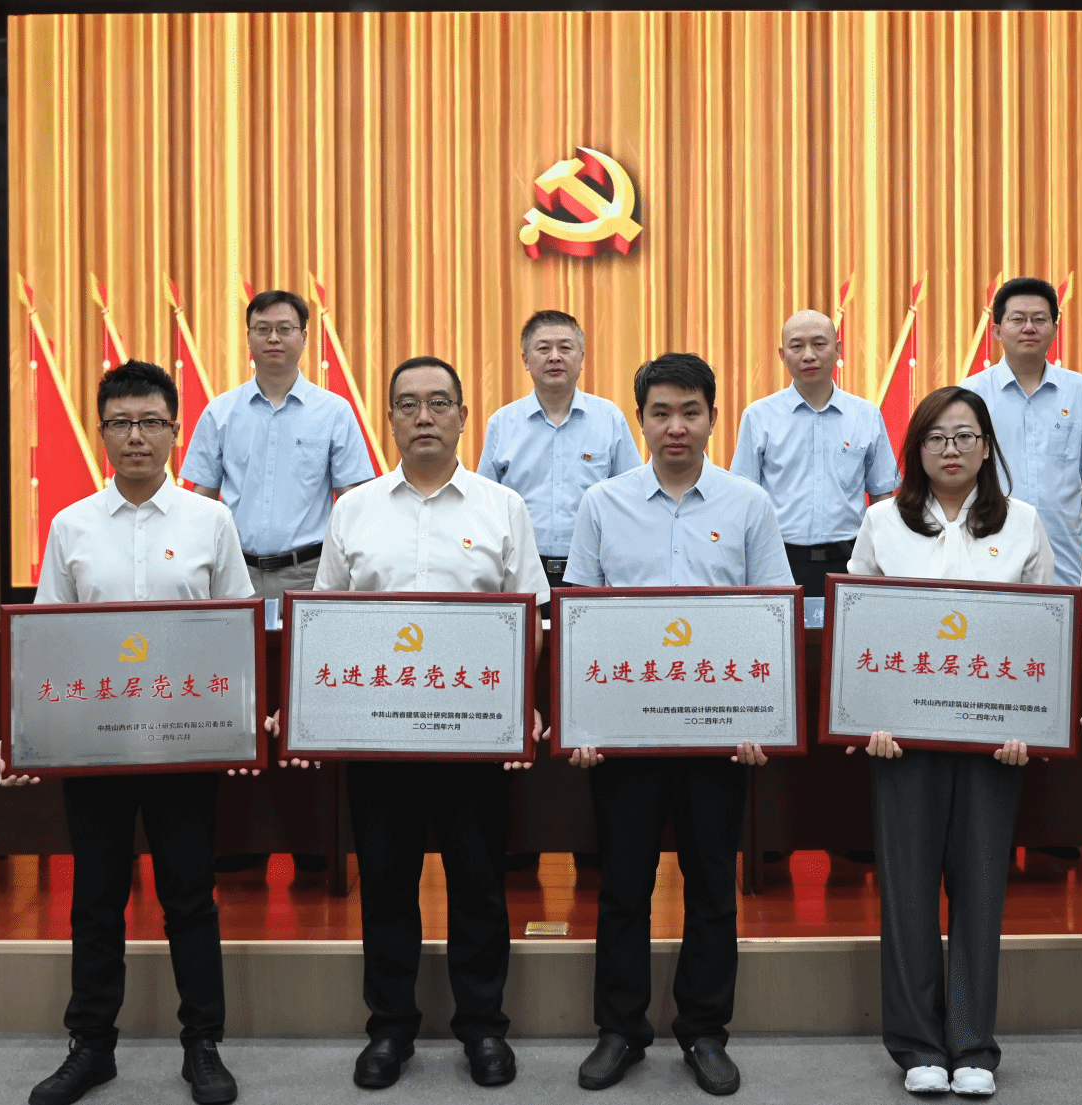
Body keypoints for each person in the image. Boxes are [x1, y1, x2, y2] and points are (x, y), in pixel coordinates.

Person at [0, 360, 255, 1105]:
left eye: (151, 422)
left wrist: (243, 728)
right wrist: (20, 732)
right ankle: (91, 1046)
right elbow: (46, 642)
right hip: (96, 745)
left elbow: (236, 630)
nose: (136, 436)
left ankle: (203, 1044)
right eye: (121, 422)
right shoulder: (71, 525)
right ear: (101, 431)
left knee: (190, 897)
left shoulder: (211, 522)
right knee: (97, 897)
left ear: (176, 431)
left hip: (184, 747)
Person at [310, 356, 550, 1091]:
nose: (424, 416)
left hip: (473, 735)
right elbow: (326, 621)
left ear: (463, 416)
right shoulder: (354, 509)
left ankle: (483, 1026)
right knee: (386, 884)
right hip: (380, 737)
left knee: (479, 882)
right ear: (388, 417)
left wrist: (522, 705)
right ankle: (390, 1028)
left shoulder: (501, 506)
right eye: (408, 403)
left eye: (439, 402)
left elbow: (532, 617)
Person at [562, 352, 793, 1098]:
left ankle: (704, 1030)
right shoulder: (602, 503)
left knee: (712, 886)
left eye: (690, 411)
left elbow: (774, 612)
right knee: (622, 884)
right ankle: (619, 1029)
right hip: (625, 735)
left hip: (719, 734)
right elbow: (579, 614)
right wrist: (583, 721)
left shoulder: (748, 504)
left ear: (712, 418)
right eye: (660, 412)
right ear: (640, 420)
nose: (676, 426)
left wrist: (765, 720)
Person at [844, 387, 1054, 1100]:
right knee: (906, 892)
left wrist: (1033, 723)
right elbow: (860, 624)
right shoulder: (883, 521)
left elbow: (1044, 631)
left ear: (987, 446)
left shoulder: (1023, 522)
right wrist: (868, 715)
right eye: (935, 437)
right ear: (915, 451)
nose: (952, 449)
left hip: (995, 742)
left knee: (981, 890)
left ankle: (972, 1043)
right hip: (902, 743)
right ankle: (917, 1045)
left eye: (965, 435)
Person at [182, 288, 376, 602]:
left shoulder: (334, 412)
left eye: (285, 329)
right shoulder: (220, 412)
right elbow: (200, 500)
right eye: (262, 329)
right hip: (234, 571)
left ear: (304, 337)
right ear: (248, 338)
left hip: (310, 573)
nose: (273, 338)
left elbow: (353, 501)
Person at [960, 277, 1082, 588]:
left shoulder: (1079, 391)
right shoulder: (972, 393)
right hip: (988, 546)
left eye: (1039, 319)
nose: (1029, 328)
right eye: (1018, 319)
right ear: (997, 330)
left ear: (1055, 329)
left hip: (1065, 552)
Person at [731, 308, 900, 597]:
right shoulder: (759, 416)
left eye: (819, 344)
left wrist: (884, 561)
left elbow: (882, 495)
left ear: (838, 349)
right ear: (783, 355)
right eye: (797, 346)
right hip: (778, 561)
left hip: (851, 560)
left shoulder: (866, 415)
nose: (808, 355)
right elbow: (744, 497)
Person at [479, 309, 641, 590]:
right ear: (525, 359)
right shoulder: (502, 423)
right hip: (521, 571)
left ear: (581, 358)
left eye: (565, 348)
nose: (554, 357)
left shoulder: (609, 418)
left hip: (595, 570)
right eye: (543, 348)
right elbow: (486, 505)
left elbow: (632, 497)